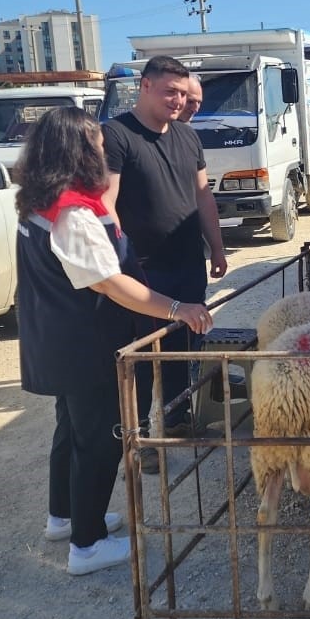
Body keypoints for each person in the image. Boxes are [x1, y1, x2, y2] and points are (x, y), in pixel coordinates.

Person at [14, 107, 213, 576]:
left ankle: (63, 516)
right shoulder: (74, 214)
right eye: (96, 143)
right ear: (77, 151)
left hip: (58, 338)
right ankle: (87, 546)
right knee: (100, 441)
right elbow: (110, 282)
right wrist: (176, 308)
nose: (104, 148)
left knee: (71, 429)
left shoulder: (40, 201)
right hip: (87, 344)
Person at [102, 55, 227, 474]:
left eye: (182, 92)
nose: (177, 101)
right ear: (146, 87)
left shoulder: (187, 138)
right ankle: (138, 441)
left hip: (187, 264)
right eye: (169, 91)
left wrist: (218, 246)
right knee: (139, 360)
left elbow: (203, 196)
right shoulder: (117, 135)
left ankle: (174, 419)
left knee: (180, 350)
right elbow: (107, 205)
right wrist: (121, 264)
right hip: (142, 271)